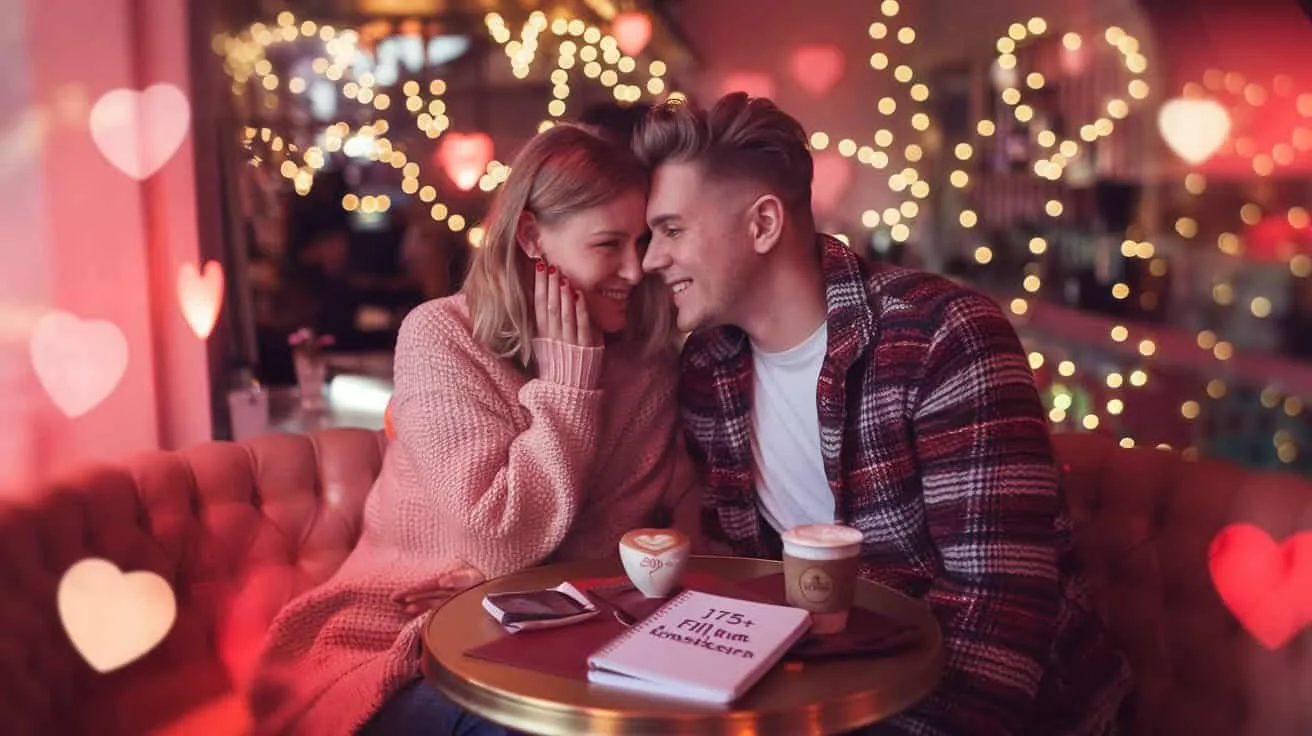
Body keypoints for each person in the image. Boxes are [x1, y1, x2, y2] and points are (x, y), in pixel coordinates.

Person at [635, 92, 1132, 735]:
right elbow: (753, 592)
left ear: (762, 224)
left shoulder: (942, 337)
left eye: (672, 230)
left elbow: (998, 630)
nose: (650, 259)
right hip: (819, 701)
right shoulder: (709, 366)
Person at [249, 123, 699, 735]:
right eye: (608, 244)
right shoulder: (441, 337)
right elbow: (500, 538)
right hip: (398, 646)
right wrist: (570, 382)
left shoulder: (645, 363)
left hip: (563, 637)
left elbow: (633, 534)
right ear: (533, 236)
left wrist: (505, 593)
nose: (636, 267)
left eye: (642, 240)